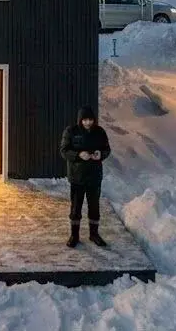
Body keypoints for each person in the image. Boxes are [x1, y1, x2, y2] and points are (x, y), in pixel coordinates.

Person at [60, 104, 111, 247]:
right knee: (76, 207)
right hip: (77, 177)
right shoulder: (71, 131)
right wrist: (78, 154)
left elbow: (107, 149)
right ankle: (74, 235)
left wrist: (101, 154)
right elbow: (64, 151)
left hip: (94, 177)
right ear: (80, 120)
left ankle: (94, 234)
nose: (88, 123)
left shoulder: (100, 132)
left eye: (90, 120)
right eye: (85, 120)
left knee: (94, 207)